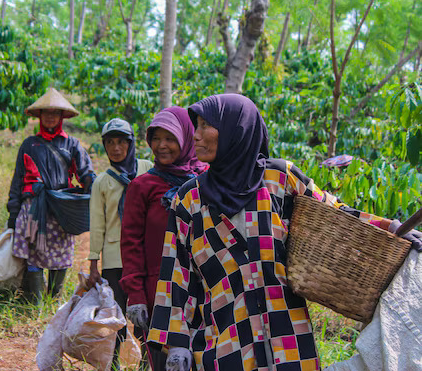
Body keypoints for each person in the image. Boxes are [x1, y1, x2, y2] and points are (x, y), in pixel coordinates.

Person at [146, 94, 422, 371]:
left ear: (236, 129)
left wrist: (390, 228)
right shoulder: (189, 199)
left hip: (286, 336)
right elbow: (176, 272)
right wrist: (177, 341)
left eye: (206, 125)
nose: (196, 135)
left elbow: (337, 214)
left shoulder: (279, 178)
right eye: (197, 126)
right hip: (225, 340)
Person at [120, 106, 208, 370]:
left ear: (185, 139)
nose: (161, 146)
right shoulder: (142, 186)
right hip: (156, 292)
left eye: (169, 138)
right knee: (163, 363)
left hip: (202, 292)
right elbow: (131, 242)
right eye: (155, 139)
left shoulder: (206, 181)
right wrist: (135, 295)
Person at [6, 87, 95, 304]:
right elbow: (18, 179)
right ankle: (35, 303)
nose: (51, 117)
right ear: (40, 116)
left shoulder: (71, 144)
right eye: (46, 112)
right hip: (33, 208)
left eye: (55, 113)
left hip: (60, 209)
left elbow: (85, 173)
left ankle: (53, 301)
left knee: (62, 254)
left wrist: (94, 189)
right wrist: (13, 211)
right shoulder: (29, 144)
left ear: (62, 116)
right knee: (34, 253)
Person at [87, 118, 154, 370]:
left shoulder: (148, 169)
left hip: (146, 254)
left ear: (131, 143)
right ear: (105, 146)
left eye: (121, 142)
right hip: (115, 258)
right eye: (110, 143)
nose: (116, 148)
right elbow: (98, 224)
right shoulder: (102, 182)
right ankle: (113, 362)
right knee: (116, 316)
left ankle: (147, 362)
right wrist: (94, 263)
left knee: (147, 310)